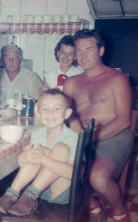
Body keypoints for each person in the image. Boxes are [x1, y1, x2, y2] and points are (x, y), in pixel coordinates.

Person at [63, 29, 133, 222]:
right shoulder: (71, 83)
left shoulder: (116, 78)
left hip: (113, 137)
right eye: (79, 51)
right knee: (59, 168)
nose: (83, 55)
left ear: (101, 50)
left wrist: (88, 137)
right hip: (81, 138)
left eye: (88, 49)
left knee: (97, 177)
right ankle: (94, 209)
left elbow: (123, 120)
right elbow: (68, 116)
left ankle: (120, 213)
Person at [0, 89, 78, 216]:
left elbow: (73, 174)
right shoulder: (37, 134)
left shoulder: (72, 137)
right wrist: (26, 157)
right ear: (37, 113)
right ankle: (11, 194)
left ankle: (31, 194)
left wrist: (43, 158)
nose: (50, 113)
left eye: (57, 109)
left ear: (67, 113)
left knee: (61, 149)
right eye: (45, 109)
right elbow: (24, 166)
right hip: (34, 196)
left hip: (59, 191)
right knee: (35, 153)